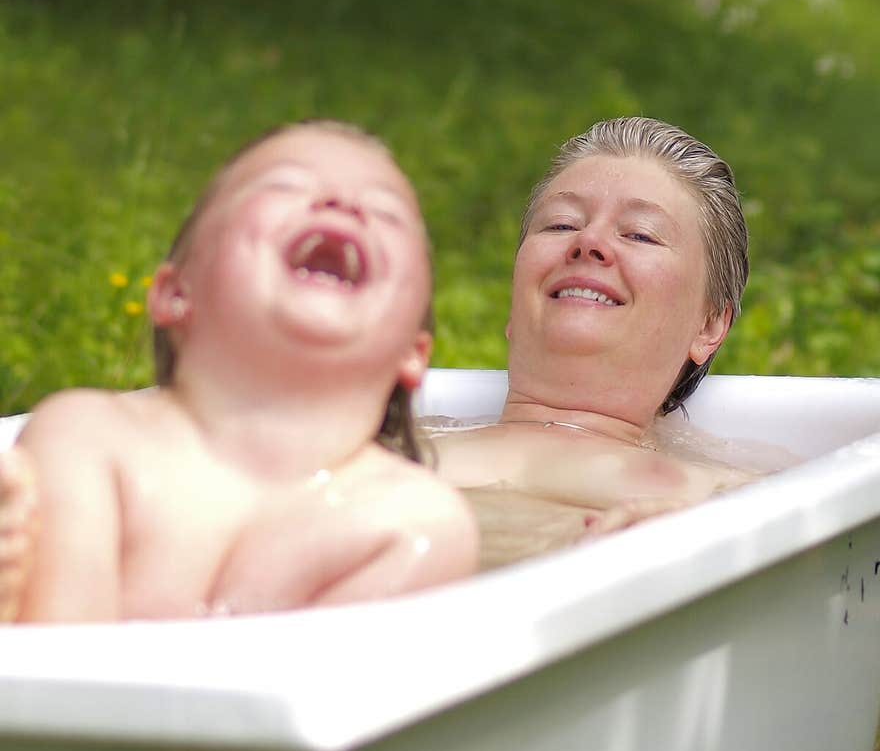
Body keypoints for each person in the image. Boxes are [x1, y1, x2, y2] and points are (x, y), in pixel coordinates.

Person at [0, 119, 478, 622]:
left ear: (413, 351)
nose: (344, 203)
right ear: (174, 292)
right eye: (287, 186)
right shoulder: (89, 439)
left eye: (387, 213)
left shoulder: (415, 524)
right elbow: (61, 673)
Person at [423, 116, 758, 568]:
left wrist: (699, 541)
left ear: (709, 325)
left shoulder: (722, 497)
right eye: (561, 225)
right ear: (513, 304)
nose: (590, 241)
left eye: (640, 234)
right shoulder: (394, 443)